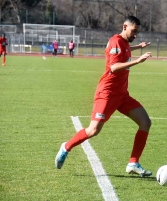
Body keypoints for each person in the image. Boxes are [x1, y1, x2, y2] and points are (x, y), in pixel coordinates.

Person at [55, 16, 153, 177]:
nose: (136, 34)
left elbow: (125, 50)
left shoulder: (124, 43)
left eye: (138, 32)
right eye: (134, 31)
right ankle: (66, 147)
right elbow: (114, 67)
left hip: (122, 95)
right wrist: (137, 61)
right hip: (107, 94)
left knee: (145, 122)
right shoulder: (116, 41)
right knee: (93, 130)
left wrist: (138, 47)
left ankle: (133, 162)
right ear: (124, 27)